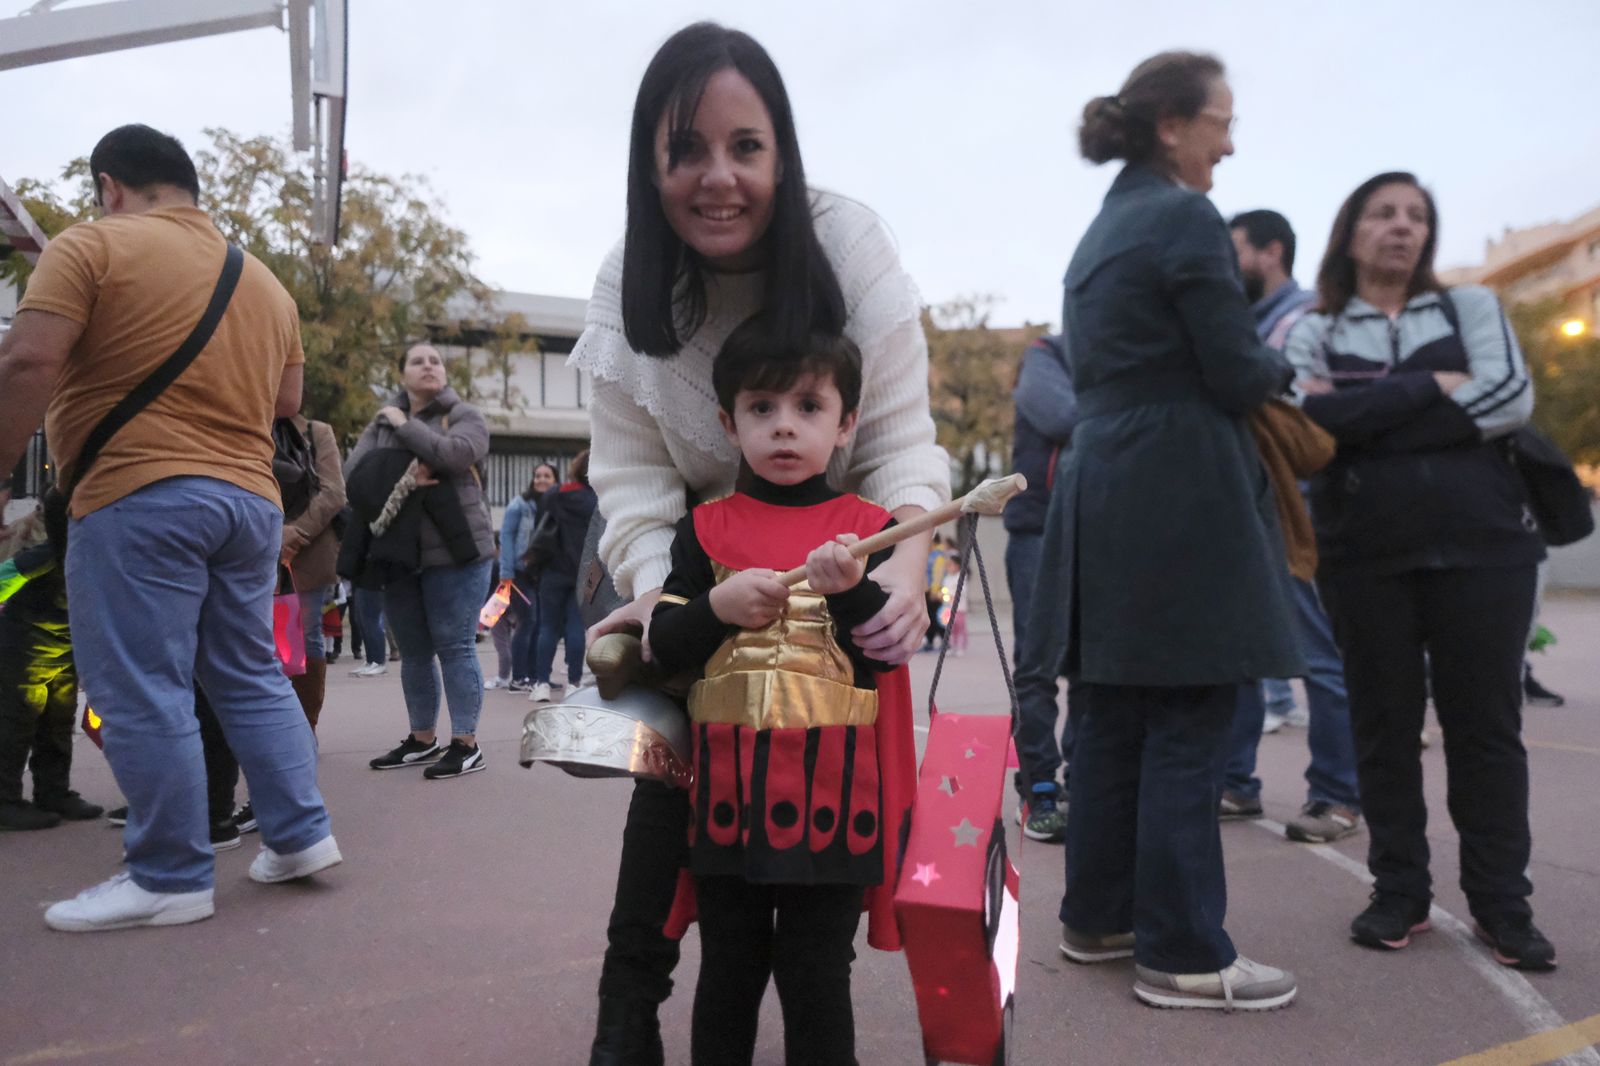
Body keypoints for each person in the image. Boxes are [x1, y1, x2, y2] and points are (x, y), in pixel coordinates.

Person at [570, 22, 949, 1063]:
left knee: (816, 878)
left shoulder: (848, 247)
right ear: (649, 164)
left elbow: (900, 443)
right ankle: (626, 1015)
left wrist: (903, 571)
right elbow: (633, 479)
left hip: (834, 562)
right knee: (666, 780)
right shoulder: (627, 277)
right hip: (695, 552)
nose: (718, 177)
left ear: (783, 150)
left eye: (746, 146)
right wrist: (671, 599)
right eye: (685, 149)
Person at [0, 124, 339, 930]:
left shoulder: (92, 246)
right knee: (248, 673)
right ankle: (299, 836)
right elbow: (287, 401)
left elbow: (28, 361)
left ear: (109, 186)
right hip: (249, 503)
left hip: (137, 492)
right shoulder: (264, 282)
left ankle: (169, 875)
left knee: (140, 683)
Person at [1028, 52, 1301, 1009]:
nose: (1231, 143)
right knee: (1190, 709)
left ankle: (1100, 917)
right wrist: (1282, 373)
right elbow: (1234, 368)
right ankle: (1184, 950)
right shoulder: (1185, 218)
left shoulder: (1099, 231)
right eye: (1223, 122)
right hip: (1179, 479)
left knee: (1110, 714)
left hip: (1103, 482)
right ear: (1174, 126)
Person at [1285, 171, 1555, 971]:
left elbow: (1511, 398)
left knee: (1485, 728)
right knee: (1383, 726)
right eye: (1383, 213)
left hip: (1485, 547)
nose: (1402, 226)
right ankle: (1398, 891)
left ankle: (1502, 904)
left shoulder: (1470, 307)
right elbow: (1301, 424)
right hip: (1364, 553)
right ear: (1350, 231)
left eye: (1417, 216)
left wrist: (1362, 415)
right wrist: (1434, 388)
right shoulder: (1314, 326)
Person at [650, 317, 909, 1065]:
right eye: (762, 408)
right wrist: (716, 607)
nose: (785, 427)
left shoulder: (871, 529)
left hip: (838, 798)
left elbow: (883, 660)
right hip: (726, 795)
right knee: (729, 969)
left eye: (808, 407)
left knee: (816, 973)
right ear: (730, 423)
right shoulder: (703, 529)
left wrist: (853, 592)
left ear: (846, 423)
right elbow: (664, 646)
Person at [1217, 209, 1364, 844]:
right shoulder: (1253, 321)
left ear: (1272, 251)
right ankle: (1235, 782)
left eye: (1236, 251)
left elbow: (1307, 409)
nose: (1227, 265)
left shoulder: (1305, 318)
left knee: (1318, 655)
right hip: (1254, 510)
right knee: (1243, 653)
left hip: (1297, 511)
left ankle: (1337, 794)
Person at [348, 344, 495, 780]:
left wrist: (403, 426)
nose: (428, 365)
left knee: (455, 646)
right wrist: (407, 475)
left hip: (458, 553)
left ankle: (466, 744)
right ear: (402, 375)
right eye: (418, 361)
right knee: (413, 653)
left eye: (435, 360)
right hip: (398, 553)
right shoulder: (381, 422)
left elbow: (454, 455)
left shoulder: (463, 414)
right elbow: (354, 477)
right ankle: (422, 738)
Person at [1006, 333, 1078, 844]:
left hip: (1099, 530)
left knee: (1094, 670)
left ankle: (1084, 781)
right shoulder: (1044, 354)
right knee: (1037, 668)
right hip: (1038, 530)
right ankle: (1039, 789)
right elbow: (1063, 418)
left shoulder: (1121, 357)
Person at [0, 493, 102, 830]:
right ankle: (5, 801)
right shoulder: (48, 555)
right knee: (16, 723)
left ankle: (53, 791)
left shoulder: (93, 554)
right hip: (25, 647)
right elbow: (5, 577)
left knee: (58, 721)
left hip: (63, 648)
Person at [527, 450, 598, 703]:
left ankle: (541, 684)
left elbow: (539, 528)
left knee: (547, 627)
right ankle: (574, 684)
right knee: (576, 627)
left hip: (552, 570)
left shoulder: (554, 495)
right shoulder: (595, 501)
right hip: (584, 572)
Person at [500, 462, 557, 691]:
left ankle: (537, 677)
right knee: (528, 621)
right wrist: (506, 573)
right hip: (520, 573)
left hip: (544, 574)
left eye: (547, 476)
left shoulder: (557, 506)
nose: (541, 479)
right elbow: (506, 537)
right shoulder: (520, 505)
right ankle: (518, 678)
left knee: (541, 624)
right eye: (538, 475)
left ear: (555, 480)